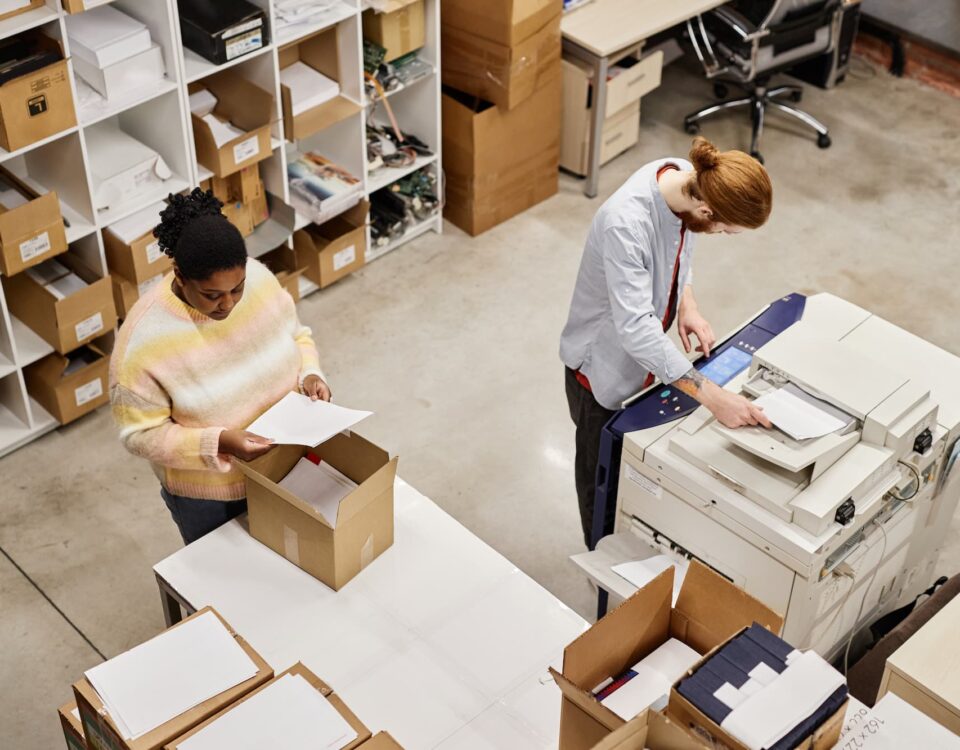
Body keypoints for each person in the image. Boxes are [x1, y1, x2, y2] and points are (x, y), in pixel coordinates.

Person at [560, 137, 774, 547]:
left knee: (635, 477)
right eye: (726, 230)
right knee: (600, 484)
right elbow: (637, 330)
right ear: (707, 210)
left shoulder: (683, 177)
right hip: (600, 374)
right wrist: (712, 397)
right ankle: (600, 558)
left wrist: (686, 302)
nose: (723, 235)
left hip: (647, 363)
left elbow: (683, 246)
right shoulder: (626, 223)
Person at [110, 188, 331, 544]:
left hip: (284, 466)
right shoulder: (141, 344)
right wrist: (218, 443)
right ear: (180, 276)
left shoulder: (259, 278)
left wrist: (311, 374)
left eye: (237, 289)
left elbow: (297, 336)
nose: (227, 304)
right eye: (211, 295)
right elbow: (139, 436)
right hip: (210, 499)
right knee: (227, 586)